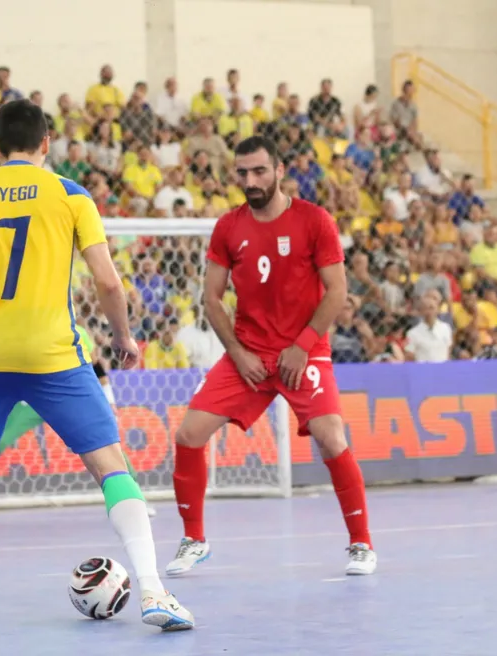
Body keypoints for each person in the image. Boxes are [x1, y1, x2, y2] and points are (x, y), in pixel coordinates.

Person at [0, 99, 193, 631]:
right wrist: (122, 337)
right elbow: (109, 281)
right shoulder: (71, 194)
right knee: (112, 467)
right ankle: (155, 594)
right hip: (54, 356)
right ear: (46, 144)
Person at [167, 135, 377, 578]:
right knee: (188, 435)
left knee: (332, 437)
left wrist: (302, 346)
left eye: (260, 171)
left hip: (305, 351)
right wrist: (239, 354)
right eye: (243, 173)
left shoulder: (314, 221)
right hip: (251, 355)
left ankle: (361, 544)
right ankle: (194, 539)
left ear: (279, 171)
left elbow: (338, 290)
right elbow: (211, 298)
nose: (251, 180)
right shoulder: (228, 226)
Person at [0, 324, 156, 520]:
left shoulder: (78, 332)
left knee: (105, 443)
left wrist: (109, 400)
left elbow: (97, 369)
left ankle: (134, 497)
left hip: (65, 395)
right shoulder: (25, 325)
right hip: (31, 397)